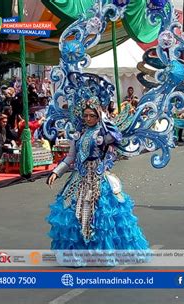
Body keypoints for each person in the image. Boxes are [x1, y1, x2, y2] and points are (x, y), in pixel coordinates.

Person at [46, 97, 149, 251]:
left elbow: (116, 140)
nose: (88, 119)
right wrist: (56, 172)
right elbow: (70, 157)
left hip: (98, 178)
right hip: (79, 177)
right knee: (73, 213)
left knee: (102, 216)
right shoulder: (78, 134)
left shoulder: (102, 133)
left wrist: (106, 122)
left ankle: (102, 251)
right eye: (85, 115)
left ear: (98, 115)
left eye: (92, 115)